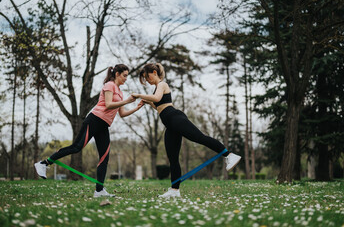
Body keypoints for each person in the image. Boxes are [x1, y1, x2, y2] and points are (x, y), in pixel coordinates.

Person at [132, 63, 241, 198]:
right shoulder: (156, 89)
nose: (147, 81)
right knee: (173, 157)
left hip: (176, 119)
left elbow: (157, 99)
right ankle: (174, 190)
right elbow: (158, 106)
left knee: (200, 138)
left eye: (147, 77)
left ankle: (229, 155)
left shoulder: (162, 85)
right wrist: (147, 102)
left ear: (154, 72)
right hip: (170, 124)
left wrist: (138, 95)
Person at [35, 64, 143, 198]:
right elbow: (108, 105)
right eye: (124, 75)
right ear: (117, 74)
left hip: (104, 126)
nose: (126, 78)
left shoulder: (120, 92)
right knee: (77, 147)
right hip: (94, 120)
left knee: (104, 157)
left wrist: (136, 108)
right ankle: (44, 163)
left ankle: (99, 190)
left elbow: (122, 114)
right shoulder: (110, 85)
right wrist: (127, 101)